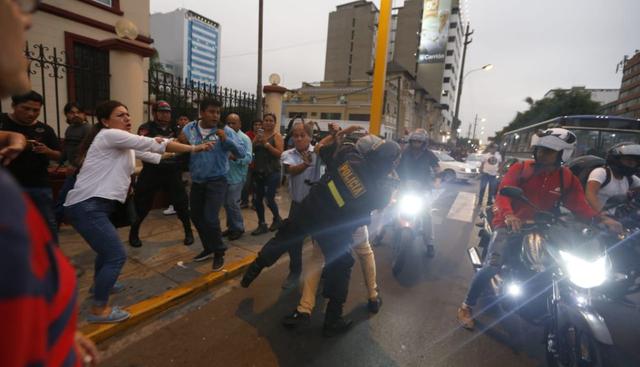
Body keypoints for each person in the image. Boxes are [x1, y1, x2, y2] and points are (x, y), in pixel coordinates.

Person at [0, 1, 99, 365]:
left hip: (40, 185)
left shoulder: (49, 132)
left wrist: (58, 330)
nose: (26, 16)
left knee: (51, 232)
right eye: (14, 3)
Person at [457, 128, 623, 330]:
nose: (543, 154)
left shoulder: (566, 177)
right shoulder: (521, 168)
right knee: (492, 266)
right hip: (509, 222)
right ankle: (467, 305)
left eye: (549, 151)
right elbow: (503, 194)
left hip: (544, 226)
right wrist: (509, 215)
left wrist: (601, 220)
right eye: (541, 149)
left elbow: (580, 205)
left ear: (564, 154)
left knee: (558, 263)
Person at [241, 126, 400, 337]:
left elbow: (324, 149)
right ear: (388, 164)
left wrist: (338, 134)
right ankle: (333, 319)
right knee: (341, 265)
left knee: (285, 238)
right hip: (333, 229)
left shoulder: (348, 155)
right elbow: (382, 203)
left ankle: (255, 267)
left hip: (310, 211)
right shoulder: (379, 190)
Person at [64, 100, 212, 323]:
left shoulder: (123, 143)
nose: (127, 118)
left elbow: (156, 154)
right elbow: (154, 145)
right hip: (88, 206)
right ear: (105, 121)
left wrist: (174, 145)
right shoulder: (108, 135)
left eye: (127, 114)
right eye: (120, 115)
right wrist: (194, 147)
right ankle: (99, 310)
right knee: (115, 255)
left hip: (97, 206)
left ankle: (101, 285)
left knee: (107, 251)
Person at [178, 98, 246, 270]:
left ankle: (219, 251)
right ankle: (209, 247)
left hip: (217, 181)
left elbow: (241, 153)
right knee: (195, 216)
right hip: (198, 181)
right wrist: (180, 141)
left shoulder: (226, 131)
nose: (215, 115)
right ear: (202, 112)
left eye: (218, 112)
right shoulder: (190, 128)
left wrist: (226, 141)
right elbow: (183, 144)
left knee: (210, 218)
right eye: (211, 111)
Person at [128, 100, 194, 248]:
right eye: (162, 111)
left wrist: (179, 162)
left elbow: (184, 149)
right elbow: (143, 149)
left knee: (182, 204)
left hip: (172, 172)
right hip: (152, 172)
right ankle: (134, 233)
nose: (165, 114)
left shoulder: (178, 130)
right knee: (142, 205)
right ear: (154, 113)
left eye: (168, 112)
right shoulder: (146, 128)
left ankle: (188, 232)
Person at [0, 90, 62, 242]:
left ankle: (51, 258)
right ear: (14, 106)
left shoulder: (45, 129)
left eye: (36, 110)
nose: (31, 113)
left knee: (47, 224)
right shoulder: (2, 121)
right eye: (26, 108)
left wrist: (47, 151)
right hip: (6, 185)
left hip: (38, 185)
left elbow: (61, 156)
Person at [278, 122, 322, 289]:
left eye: (302, 135)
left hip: (317, 206)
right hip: (297, 206)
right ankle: (295, 272)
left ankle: (321, 269)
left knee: (319, 240)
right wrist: (306, 163)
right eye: (295, 135)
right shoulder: (287, 154)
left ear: (310, 137)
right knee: (294, 242)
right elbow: (290, 171)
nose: (298, 138)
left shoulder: (318, 152)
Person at [393, 129, 440, 257]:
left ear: (424, 143)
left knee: (427, 215)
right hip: (403, 187)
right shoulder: (404, 152)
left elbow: (436, 168)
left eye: (419, 142)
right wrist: (391, 175)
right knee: (389, 207)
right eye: (414, 141)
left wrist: (437, 179)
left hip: (422, 189)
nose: (416, 144)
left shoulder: (429, 155)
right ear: (411, 141)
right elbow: (394, 165)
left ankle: (430, 244)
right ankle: (380, 234)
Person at [250, 113, 284, 235]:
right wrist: (256, 140)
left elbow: (280, 154)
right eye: (266, 120)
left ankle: (277, 218)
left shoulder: (277, 136)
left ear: (275, 123)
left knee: (269, 199)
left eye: (271, 120)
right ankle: (262, 224)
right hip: (259, 172)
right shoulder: (259, 135)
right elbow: (252, 149)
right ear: (263, 122)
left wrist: (267, 144)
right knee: (257, 200)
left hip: (272, 172)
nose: (268, 122)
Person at [585, 142, 640, 214]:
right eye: (628, 160)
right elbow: (590, 194)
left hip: (618, 216)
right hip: (596, 218)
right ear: (615, 159)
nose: (632, 164)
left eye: (635, 161)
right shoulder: (601, 172)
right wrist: (602, 216)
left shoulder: (629, 178)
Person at [222, 113, 253, 241]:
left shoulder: (244, 138)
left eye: (233, 123)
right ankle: (231, 227)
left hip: (237, 177)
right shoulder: (224, 137)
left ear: (239, 124)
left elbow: (248, 158)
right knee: (226, 204)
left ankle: (239, 228)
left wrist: (234, 158)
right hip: (224, 176)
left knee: (233, 203)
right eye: (228, 123)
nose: (230, 125)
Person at [241, 119, 263, 208]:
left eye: (259, 125)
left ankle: (255, 203)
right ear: (252, 126)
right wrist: (255, 139)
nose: (257, 126)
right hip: (249, 164)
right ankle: (244, 201)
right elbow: (247, 148)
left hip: (259, 163)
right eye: (255, 124)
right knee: (246, 184)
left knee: (256, 185)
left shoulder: (264, 135)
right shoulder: (247, 135)